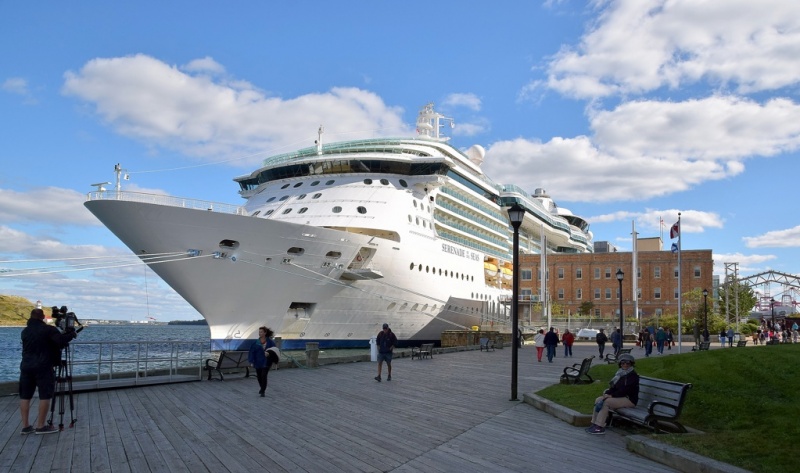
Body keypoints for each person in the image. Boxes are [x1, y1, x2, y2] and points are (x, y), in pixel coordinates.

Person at [19, 308, 76, 435]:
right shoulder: (48, 330)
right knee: (45, 395)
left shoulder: (25, 331)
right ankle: (40, 426)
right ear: (43, 317)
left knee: (25, 396)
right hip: (43, 366)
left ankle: (26, 426)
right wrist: (71, 334)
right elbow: (60, 341)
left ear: (31, 317)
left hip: (26, 366)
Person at [585, 353, 640, 435]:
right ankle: (594, 423)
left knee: (606, 402)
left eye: (627, 363)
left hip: (629, 399)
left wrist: (612, 396)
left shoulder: (633, 376)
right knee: (599, 400)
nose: (625, 365)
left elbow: (625, 390)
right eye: (623, 363)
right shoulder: (620, 374)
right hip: (619, 397)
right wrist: (607, 394)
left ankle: (599, 426)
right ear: (620, 364)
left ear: (631, 364)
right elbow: (614, 387)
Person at [248, 326, 276, 397]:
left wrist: (269, 354)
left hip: (267, 362)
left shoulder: (270, 342)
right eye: (259, 332)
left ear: (265, 333)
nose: (259, 333)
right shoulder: (256, 343)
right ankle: (262, 388)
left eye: (261, 332)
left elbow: (275, 350)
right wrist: (251, 361)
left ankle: (263, 390)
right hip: (258, 361)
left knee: (264, 375)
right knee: (259, 376)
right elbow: (252, 352)